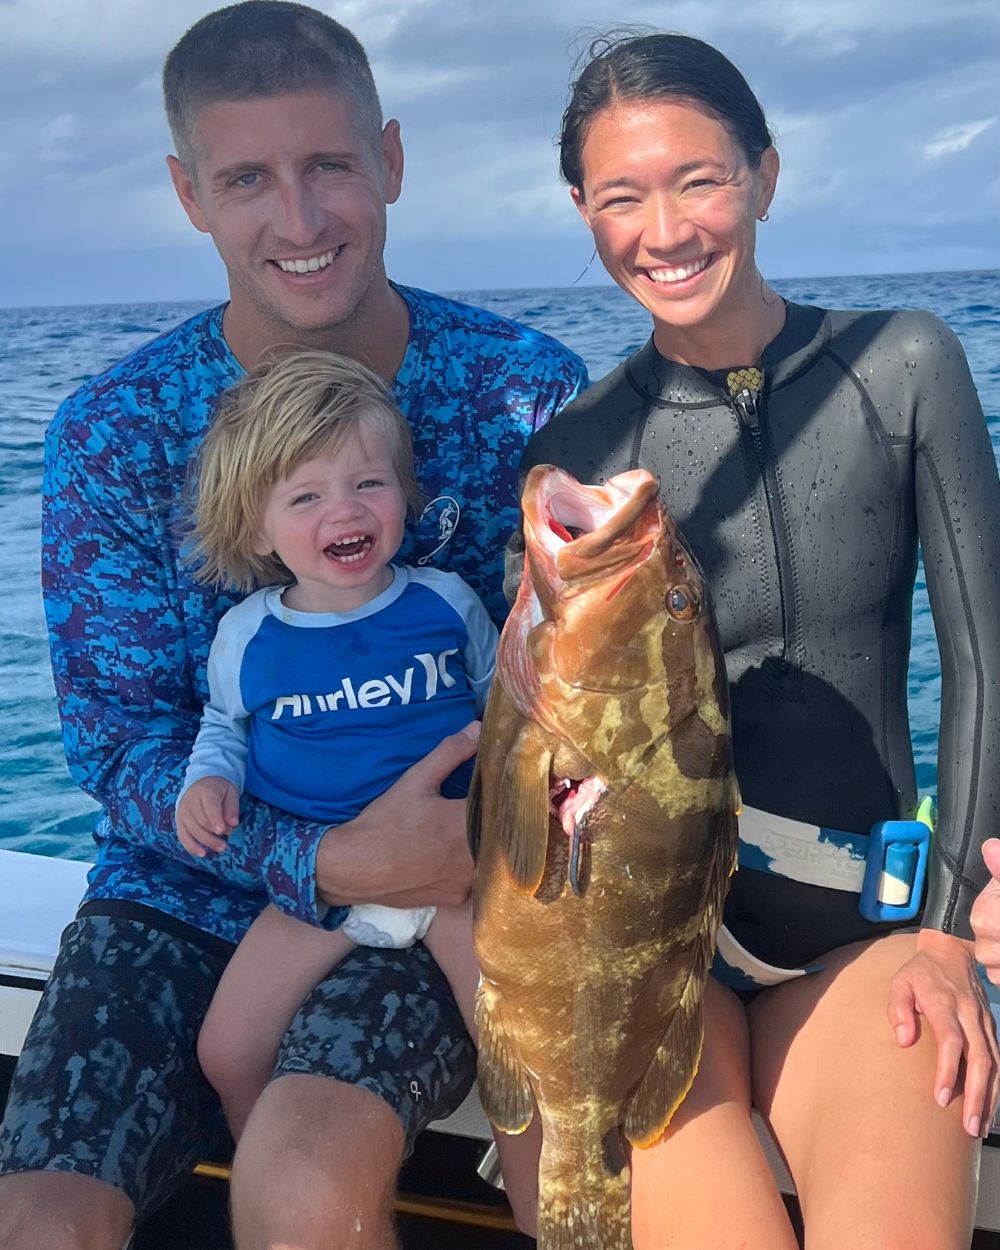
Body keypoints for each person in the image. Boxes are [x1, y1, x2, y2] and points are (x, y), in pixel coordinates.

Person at [0, 4, 586, 1249]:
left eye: (329, 165)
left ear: (390, 160)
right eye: (249, 179)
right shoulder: (112, 429)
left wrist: (436, 855)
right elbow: (119, 743)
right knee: (41, 1217)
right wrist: (314, 861)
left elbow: (570, 686)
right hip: (186, 888)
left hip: (446, 879)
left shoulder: (523, 388)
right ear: (187, 192)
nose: (302, 219)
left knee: (308, 1177)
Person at [509, 32, 1000, 1250]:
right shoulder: (580, 449)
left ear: (765, 177)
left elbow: (985, 656)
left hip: (858, 931)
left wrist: (948, 928)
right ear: (581, 211)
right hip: (643, 954)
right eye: (619, 196)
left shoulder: (902, 363)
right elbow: (550, 756)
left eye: (700, 179)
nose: (663, 229)